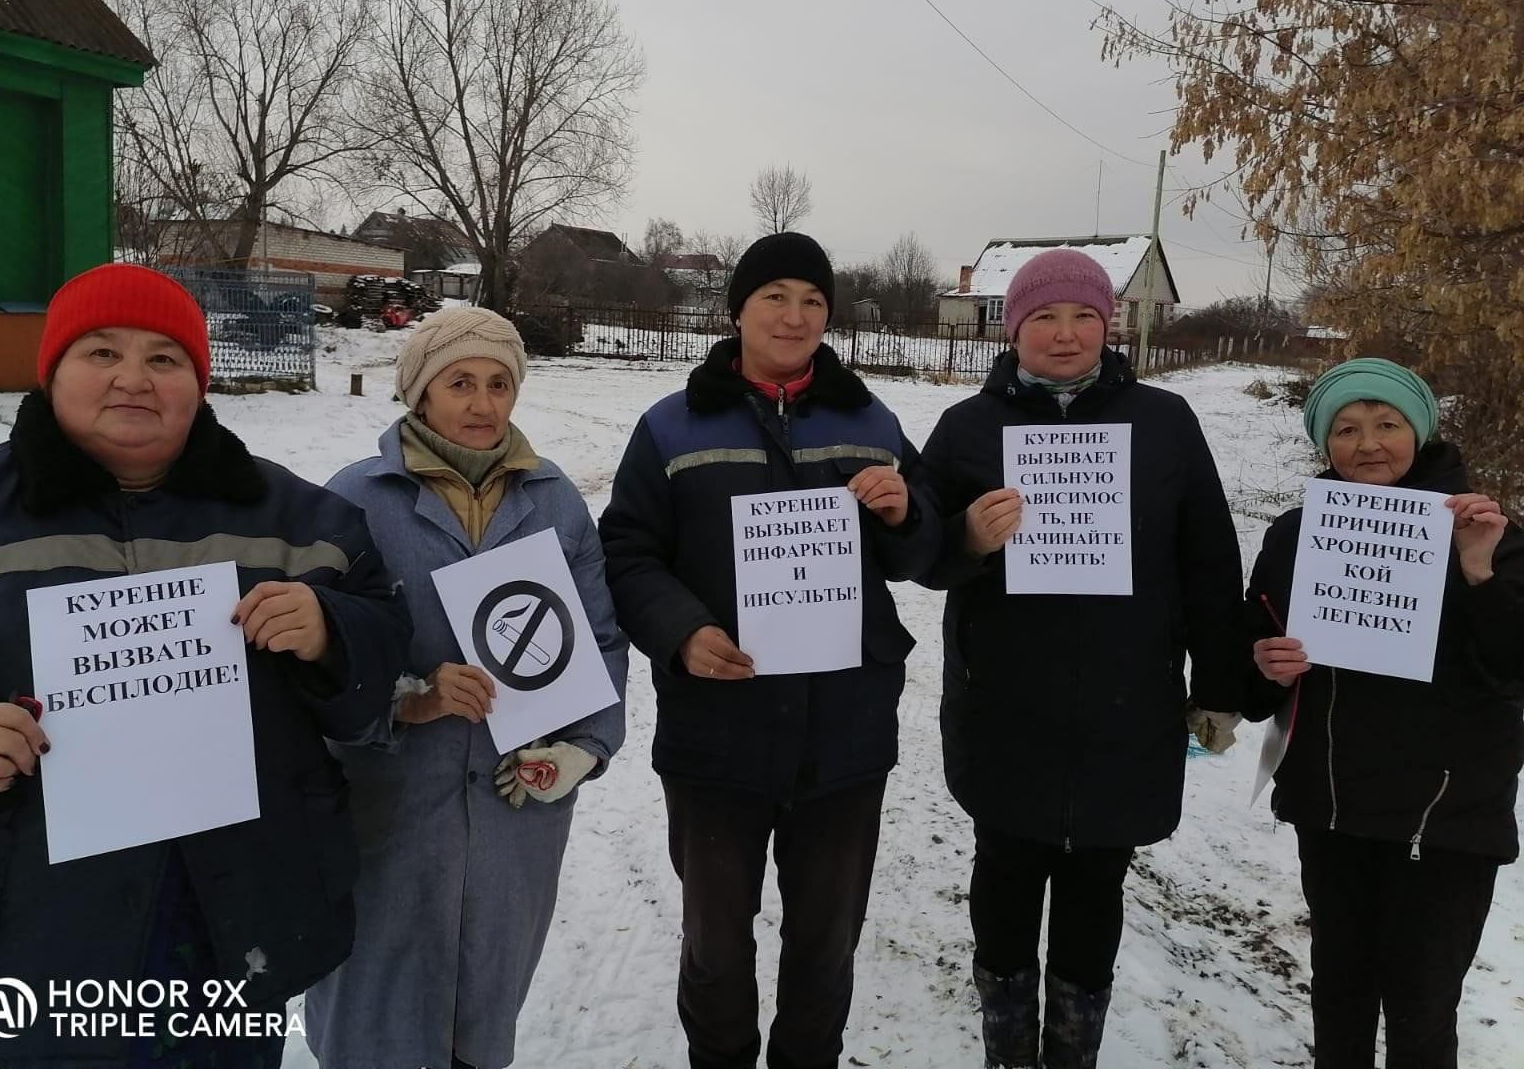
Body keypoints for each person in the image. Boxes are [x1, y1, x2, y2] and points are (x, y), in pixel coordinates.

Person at [0, 263, 408, 1067]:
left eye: (163, 358)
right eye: (102, 353)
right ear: (52, 371)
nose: (133, 379)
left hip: (232, 925)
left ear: (197, 379)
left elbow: (383, 664)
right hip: (16, 935)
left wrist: (332, 631)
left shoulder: (303, 520)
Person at [598, 231, 940, 1069]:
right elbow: (628, 552)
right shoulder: (671, 427)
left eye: (813, 301)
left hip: (845, 736)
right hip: (717, 735)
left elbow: (925, 558)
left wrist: (903, 513)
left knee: (826, 947)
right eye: (775, 297)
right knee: (715, 946)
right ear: (738, 310)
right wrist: (681, 632)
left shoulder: (871, 419)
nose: (795, 316)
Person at [917, 248, 1248, 1069]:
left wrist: (1217, 685)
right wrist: (966, 538)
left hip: (1125, 703)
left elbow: (1208, 560)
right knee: (1003, 873)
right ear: (1014, 326)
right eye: (1044, 318)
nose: (1064, 336)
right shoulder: (968, 427)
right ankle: (1007, 1046)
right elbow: (919, 554)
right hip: (1005, 703)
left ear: (1110, 324)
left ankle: (1072, 1050)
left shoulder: (1164, 422)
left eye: (1084, 317)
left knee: (1099, 881)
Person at [306, 307, 628, 1069]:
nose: (483, 405)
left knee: (482, 1014)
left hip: (516, 811)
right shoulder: (354, 499)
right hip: (391, 805)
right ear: (419, 394)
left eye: (498, 384)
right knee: (372, 1016)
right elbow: (315, 657)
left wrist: (584, 746)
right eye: (460, 384)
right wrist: (404, 699)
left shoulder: (553, 502)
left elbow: (600, 637)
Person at [1242, 358, 1523, 1069]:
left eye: (1387, 424)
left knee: (1422, 1010)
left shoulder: (1490, 533)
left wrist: (1480, 572)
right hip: (1333, 811)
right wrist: (1262, 664)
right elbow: (1252, 664)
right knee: (1338, 996)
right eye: (1346, 429)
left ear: (1420, 429)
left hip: (1445, 821)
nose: (1368, 444)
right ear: (1323, 444)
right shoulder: (1297, 534)